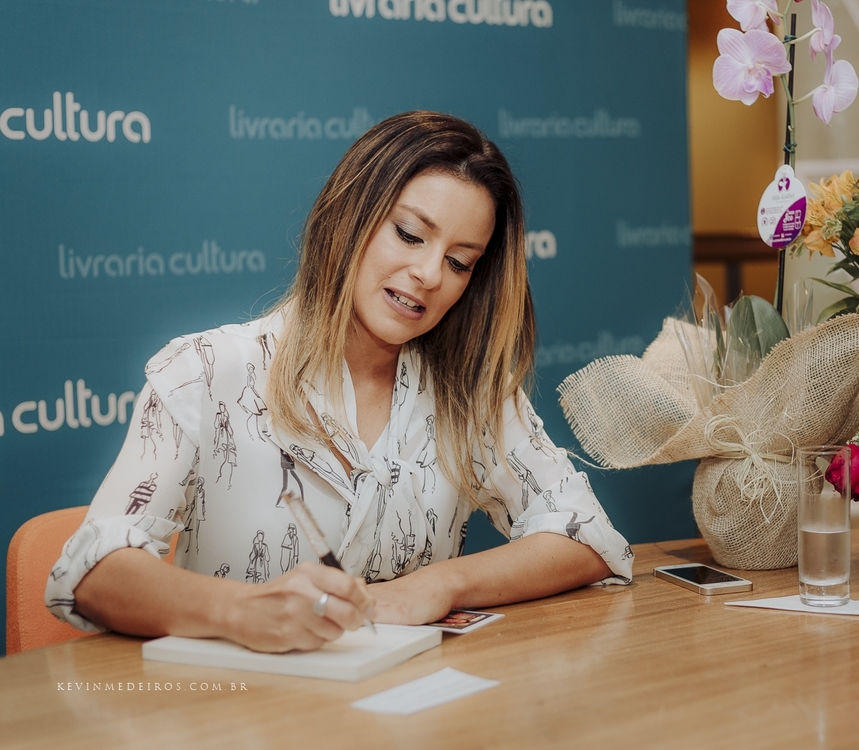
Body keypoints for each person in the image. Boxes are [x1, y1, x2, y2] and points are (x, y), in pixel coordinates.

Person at [46, 111, 632, 653]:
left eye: (460, 262)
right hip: (237, 717)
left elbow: (589, 539)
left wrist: (442, 584)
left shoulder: (471, 390)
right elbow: (95, 571)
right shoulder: (204, 370)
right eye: (409, 233)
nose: (428, 275)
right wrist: (244, 611)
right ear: (350, 216)